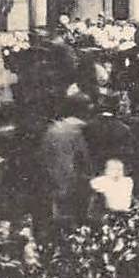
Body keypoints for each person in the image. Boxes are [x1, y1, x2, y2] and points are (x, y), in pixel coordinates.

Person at [38, 93, 93, 234]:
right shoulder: (79, 130)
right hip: (73, 182)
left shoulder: (52, 129)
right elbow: (85, 159)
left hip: (53, 181)